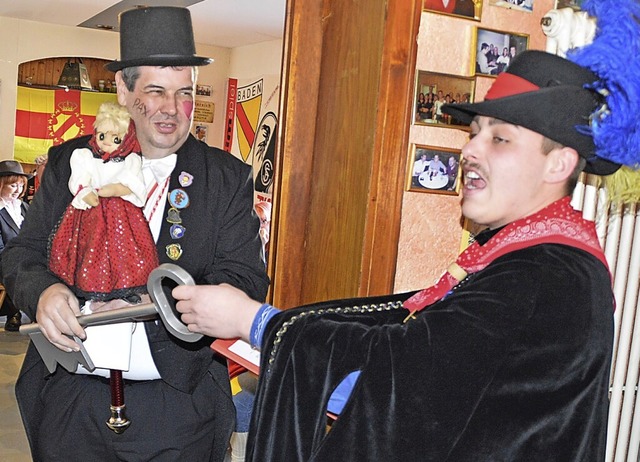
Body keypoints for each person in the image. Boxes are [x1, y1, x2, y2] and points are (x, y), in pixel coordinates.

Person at [171, 48, 638, 461]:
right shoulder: (522, 255)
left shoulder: (542, 274)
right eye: (473, 133)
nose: (470, 150)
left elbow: (398, 385)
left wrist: (256, 322)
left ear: (559, 163)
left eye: (499, 138)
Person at [2, 6, 268, 461]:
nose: (172, 109)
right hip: (71, 399)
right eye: (156, 91)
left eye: (184, 93)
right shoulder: (72, 162)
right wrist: (44, 293)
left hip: (177, 406)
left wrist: (156, 307)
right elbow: (21, 254)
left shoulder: (225, 177)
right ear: (124, 90)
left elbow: (245, 280)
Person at [48, 101, 156, 303]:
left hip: (122, 215)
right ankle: (89, 286)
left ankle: (126, 286)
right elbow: (80, 180)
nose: (106, 142)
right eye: (102, 136)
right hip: (92, 212)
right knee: (89, 249)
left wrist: (116, 189)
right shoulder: (85, 156)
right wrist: (86, 192)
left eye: (115, 138)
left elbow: (133, 184)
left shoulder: (131, 160)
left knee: (124, 251)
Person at [0, 161, 31, 331]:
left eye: (21, 185)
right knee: (16, 268)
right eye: (13, 185)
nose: (18, 190)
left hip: (25, 257)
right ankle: (14, 313)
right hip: (4, 259)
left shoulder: (24, 207)